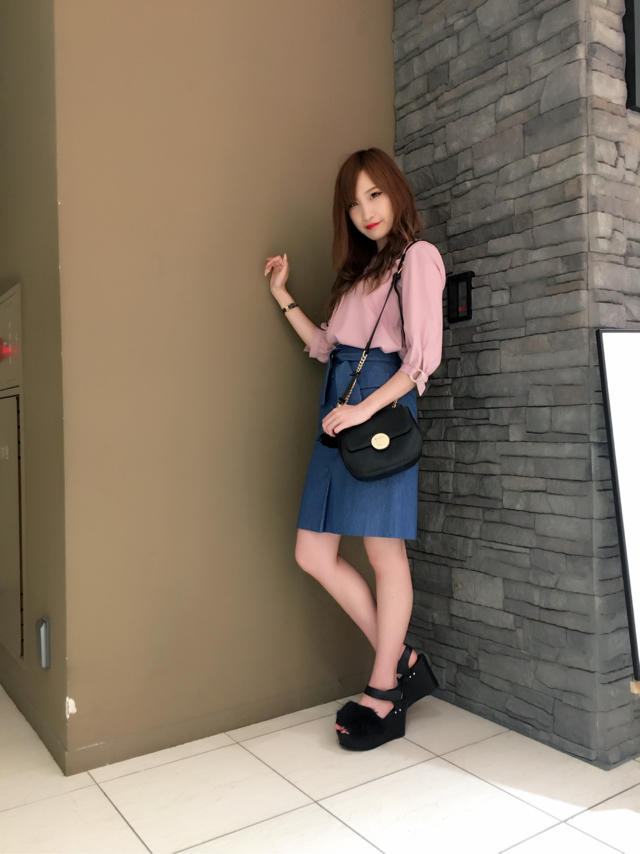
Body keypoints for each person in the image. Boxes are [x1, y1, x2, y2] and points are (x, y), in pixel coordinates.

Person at [263, 147, 446, 751]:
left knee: (382, 551)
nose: (365, 210)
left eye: (374, 194)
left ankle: (385, 690)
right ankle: (404, 661)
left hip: (379, 410)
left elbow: (421, 362)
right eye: (353, 202)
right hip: (337, 410)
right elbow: (325, 346)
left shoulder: (417, 258)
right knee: (312, 552)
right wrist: (283, 294)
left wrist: (364, 411)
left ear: (395, 192)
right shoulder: (359, 273)